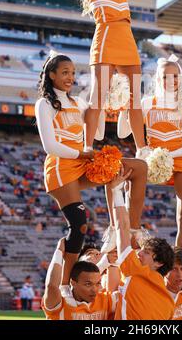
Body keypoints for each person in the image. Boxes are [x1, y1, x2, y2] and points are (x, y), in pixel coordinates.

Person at [35, 52, 148, 282]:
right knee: (79, 227)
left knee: (138, 168)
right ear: (51, 74)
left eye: (73, 73)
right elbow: (50, 146)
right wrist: (82, 153)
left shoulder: (79, 103)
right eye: (65, 72)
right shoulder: (44, 104)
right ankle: (66, 283)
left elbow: (97, 133)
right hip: (61, 168)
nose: (70, 77)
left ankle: (127, 230)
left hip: (83, 163)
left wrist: (104, 104)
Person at [64, 0, 156, 156]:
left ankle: (142, 148)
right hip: (104, 40)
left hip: (127, 41)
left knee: (136, 98)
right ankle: (87, 146)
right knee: (97, 97)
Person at [138, 55, 182, 254]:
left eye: (175, 76)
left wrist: (169, 155)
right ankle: (128, 248)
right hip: (151, 160)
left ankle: (179, 262)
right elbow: (123, 133)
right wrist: (126, 110)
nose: (171, 80)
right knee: (128, 191)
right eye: (166, 76)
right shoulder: (146, 103)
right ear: (158, 78)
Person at [110, 170, 175, 320]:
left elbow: (121, 227)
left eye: (146, 252)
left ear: (158, 263)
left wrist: (115, 190)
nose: (138, 253)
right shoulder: (169, 302)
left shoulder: (136, 269)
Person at [42, 239, 117, 320]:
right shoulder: (62, 300)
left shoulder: (105, 298)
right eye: (90, 253)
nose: (94, 289)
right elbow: (52, 286)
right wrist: (59, 251)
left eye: (98, 283)